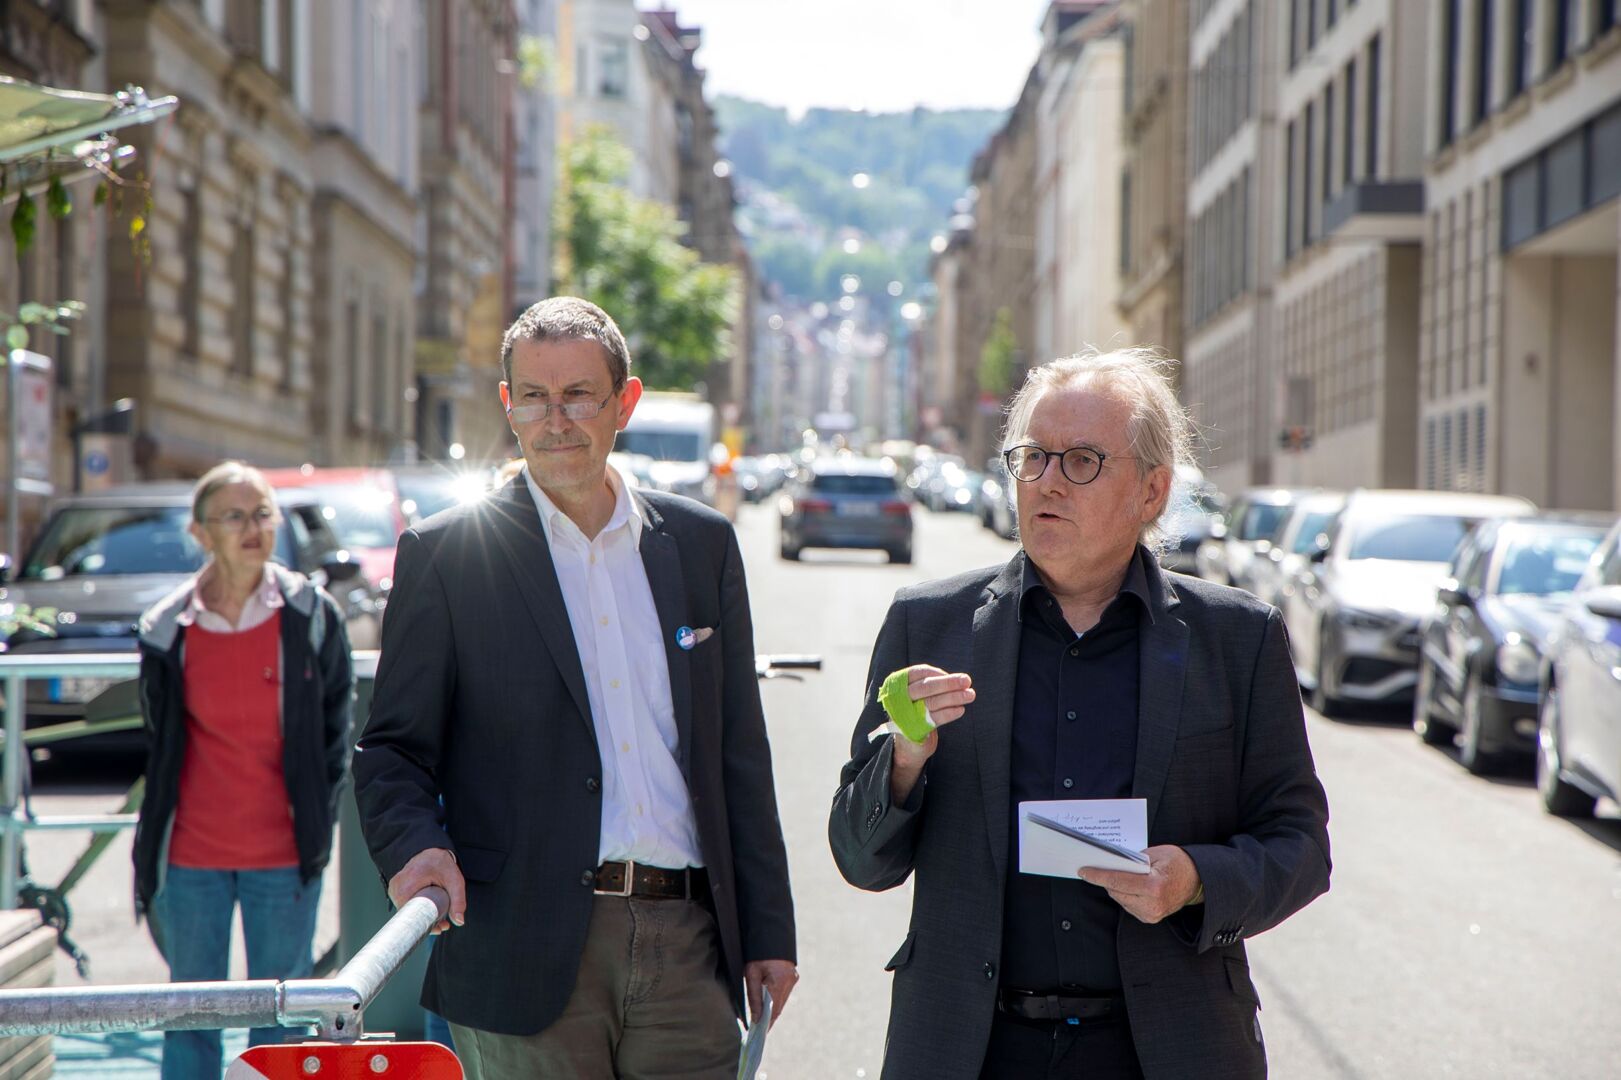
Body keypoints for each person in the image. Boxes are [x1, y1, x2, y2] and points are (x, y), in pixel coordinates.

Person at [829, 349, 1331, 1080]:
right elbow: (858, 856)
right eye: (1032, 458)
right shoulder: (927, 627)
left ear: (1151, 492)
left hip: (1165, 1047)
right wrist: (903, 763)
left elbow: (1299, 846)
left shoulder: (1236, 639)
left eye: (1082, 462)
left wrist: (1194, 879)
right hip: (971, 1047)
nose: (1046, 483)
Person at [354, 296, 797, 1079]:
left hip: (688, 946)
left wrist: (767, 932)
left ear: (624, 403)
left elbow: (736, 749)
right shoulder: (449, 553)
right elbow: (393, 748)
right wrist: (416, 847)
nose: (555, 420)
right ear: (508, 406)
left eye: (578, 395)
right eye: (533, 396)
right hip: (518, 943)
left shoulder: (701, 545)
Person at [132, 461, 354, 1080]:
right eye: (234, 516)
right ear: (201, 533)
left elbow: (338, 724)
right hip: (191, 857)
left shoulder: (310, 614)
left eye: (263, 513)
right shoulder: (165, 629)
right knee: (191, 1018)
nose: (253, 527)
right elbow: (160, 737)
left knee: (278, 1027)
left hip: (283, 854)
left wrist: (317, 806)